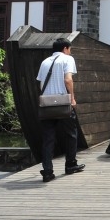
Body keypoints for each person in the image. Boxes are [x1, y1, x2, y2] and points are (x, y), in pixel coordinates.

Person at [36, 38, 83, 182]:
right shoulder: (67, 59)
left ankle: (47, 171)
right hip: (63, 102)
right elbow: (68, 80)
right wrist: (72, 98)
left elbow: (41, 84)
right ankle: (70, 164)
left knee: (48, 139)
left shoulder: (44, 62)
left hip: (47, 103)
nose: (70, 52)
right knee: (71, 134)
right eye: (70, 49)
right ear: (65, 48)